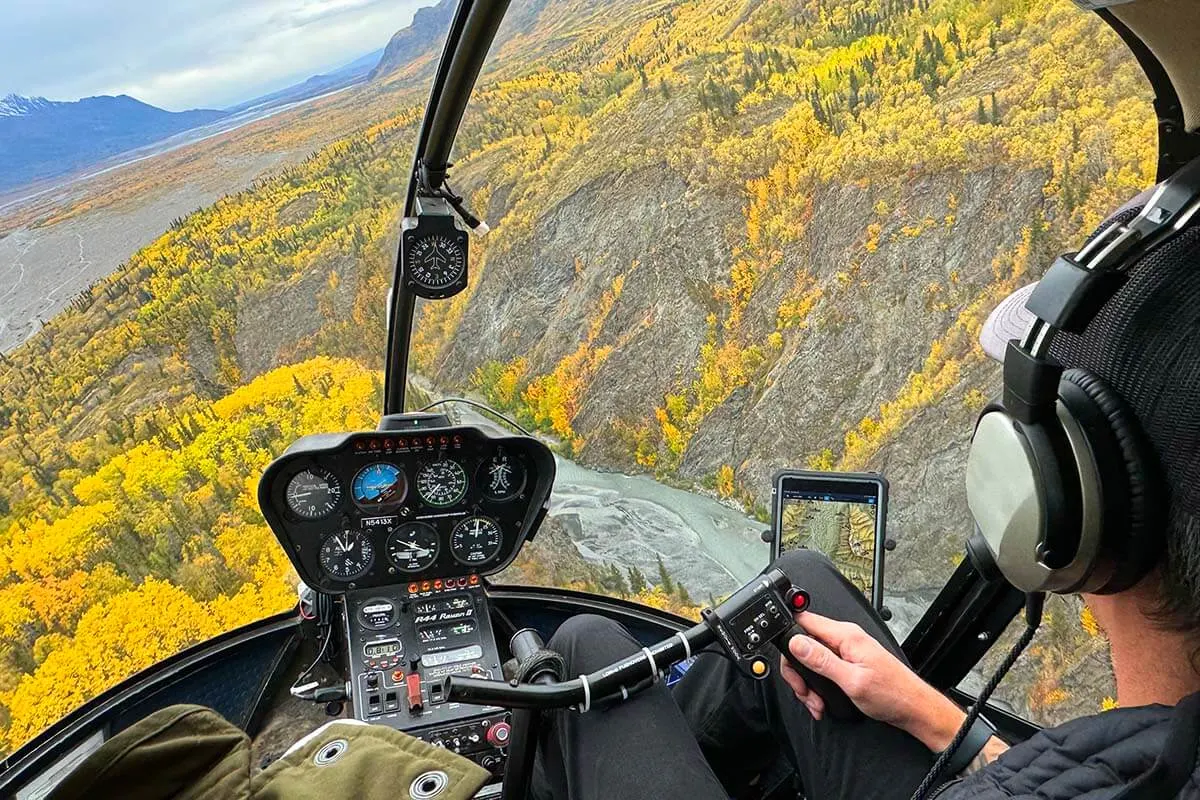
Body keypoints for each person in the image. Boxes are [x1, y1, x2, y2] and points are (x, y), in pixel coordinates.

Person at [528, 188, 1200, 799]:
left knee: (588, 647)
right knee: (797, 584)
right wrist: (932, 715)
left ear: (1078, 503)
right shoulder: (1155, 751)